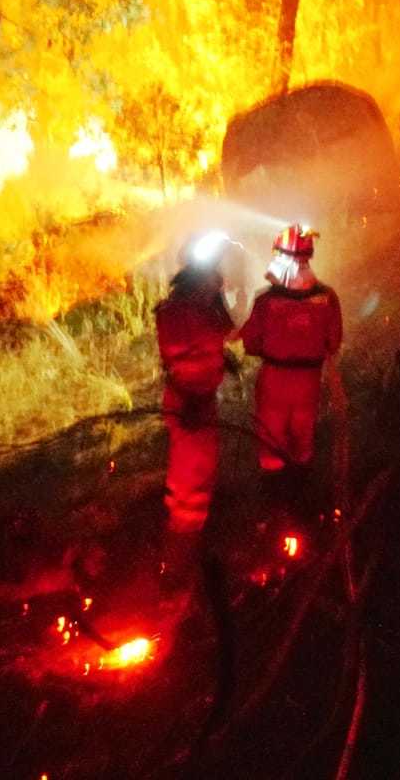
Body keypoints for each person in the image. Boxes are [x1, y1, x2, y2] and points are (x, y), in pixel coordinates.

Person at [154, 231, 239, 595]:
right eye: (212, 276)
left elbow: (224, 334)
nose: (217, 281)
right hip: (190, 402)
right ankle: (177, 567)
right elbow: (183, 353)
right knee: (190, 486)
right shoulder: (178, 311)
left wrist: (223, 356)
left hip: (199, 399)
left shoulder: (197, 305)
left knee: (197, 480)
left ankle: (187, 553)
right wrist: (191, 398)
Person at [239, 224, 343, 517]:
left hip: (274, 381)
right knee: (303, 442)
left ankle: (274, 513)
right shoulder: (328, 298)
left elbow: (250, 343)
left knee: (270, 445)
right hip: (308, 383)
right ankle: (301, 511)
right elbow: (333, 342)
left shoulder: (266, 301)